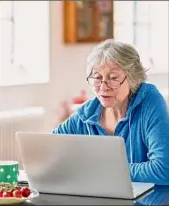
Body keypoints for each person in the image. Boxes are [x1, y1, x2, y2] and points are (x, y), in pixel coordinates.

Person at [52, 39, 169, 185]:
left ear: (133, 79)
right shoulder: (87, 113)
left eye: (113, 78)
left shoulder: (150, 101)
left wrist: (99, 170)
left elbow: (163, 169)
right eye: (97, 77)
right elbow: (50, 152)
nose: (103, 86)